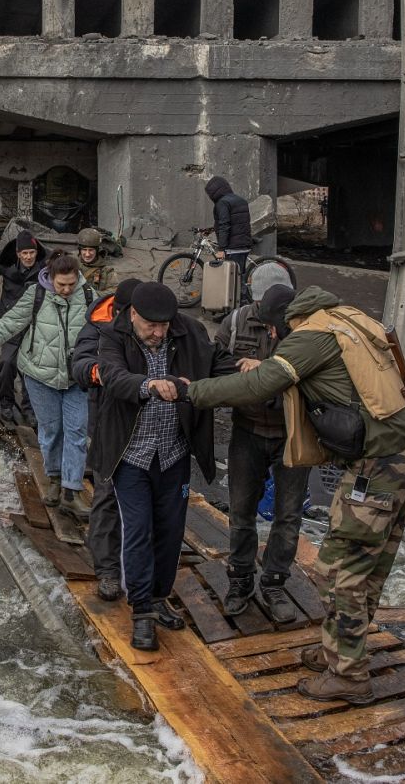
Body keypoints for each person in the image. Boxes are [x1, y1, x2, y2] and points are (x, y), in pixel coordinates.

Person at [183, 286, 405, 704]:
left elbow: (258, 385)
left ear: (285, 322)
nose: (276, 338)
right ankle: (340, 652)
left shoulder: (310, 336)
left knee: (338, 570)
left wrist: (193, 391)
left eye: (277, 331)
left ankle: (349, 676)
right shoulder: (349, 317)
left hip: (376, 467)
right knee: (369, 570)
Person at [93, 282, 234, 651]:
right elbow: (112, 377)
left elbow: (216, 363)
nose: (159, 333)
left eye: (164, 326)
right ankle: (141, 611)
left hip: (173, 454)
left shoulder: (188, 330)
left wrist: (245, 365)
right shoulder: (113, 336)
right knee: (138, 531)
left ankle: (158, 597)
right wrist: (149, 384)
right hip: (132, 456)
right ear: (134, 315)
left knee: (171, 532)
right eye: (151, 325)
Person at [214, 281, 311, 623]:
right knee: (241, 512)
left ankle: (274, 583)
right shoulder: (236, 322)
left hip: (292, 436)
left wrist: (267, 372)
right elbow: (219, 364)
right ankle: (240, 580)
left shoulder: (307, 328)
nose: (274, 330)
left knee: (288, 516)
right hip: (247, 431)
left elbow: (318, 376)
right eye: (270, 324)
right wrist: (248, 374)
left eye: (279, 326)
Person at [0, 250, 94, 517]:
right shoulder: (36, 295)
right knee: (51, 431)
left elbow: (109, 326)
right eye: (61, 284)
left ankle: (71, 492)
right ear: (50, 277)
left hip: (77, 378)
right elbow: (10, 322)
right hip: (40, 376)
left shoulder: (89, 297)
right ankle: (53, 480)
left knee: (76, 432)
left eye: (71, 284)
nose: (66, 290)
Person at [70, 276, 143, 601]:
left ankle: (140, 569)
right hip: (107, 420)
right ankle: (108, 570)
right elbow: (81, 362)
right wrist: (102, 373)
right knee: (107, 493)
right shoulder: (100, 324)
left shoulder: (153, 324)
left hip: (148, 424)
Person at [0, 230, 44, 423]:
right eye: (25, 253)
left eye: (32, 252)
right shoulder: (5, 263)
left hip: (34, 325)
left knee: (31, 369)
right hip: (10, 323)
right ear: (18, 254)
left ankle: (30, 409)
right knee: (6, 364)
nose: (29, 257)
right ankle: (6, 402)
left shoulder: (44, 267)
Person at [205, 175, 254, 298]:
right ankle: (239, 307)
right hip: (244, 243)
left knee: (234, 281)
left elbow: (225, 224)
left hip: (233, 246)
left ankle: (238, 310)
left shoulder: (222, 203)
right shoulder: (240, 200)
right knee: (239, 276)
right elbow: (236, 221)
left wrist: (221, 249)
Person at [77, 228, 118, 292]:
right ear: (80, 250)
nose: (87, 254)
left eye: (91, 250)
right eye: (84, 250)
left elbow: (114, 290)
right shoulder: (72, 265)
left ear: (97, 251)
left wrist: (92, 296)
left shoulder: (107, 271)